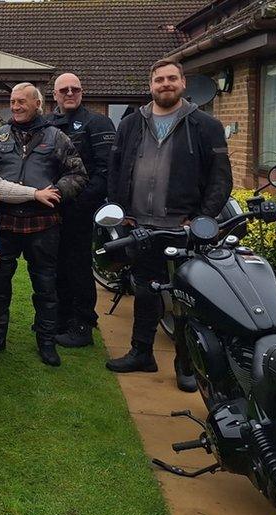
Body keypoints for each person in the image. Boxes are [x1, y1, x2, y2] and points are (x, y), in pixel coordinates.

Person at [105, 59, 232, 392]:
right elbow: (116, 170)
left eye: (171, 78)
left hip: (183, 228)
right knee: (145, 291)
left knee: (185, 299)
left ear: (183, 83)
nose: (165, 84)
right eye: (159, 79)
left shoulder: (205, 125)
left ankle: (185, 364)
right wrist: (121, 211)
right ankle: (141, 353)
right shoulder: (131, 123)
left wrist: (202, 218)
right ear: (151, 85)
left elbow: (221, 179)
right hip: (141, 225)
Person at [0, 83, 87, 367]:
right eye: (12, 102)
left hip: (44, 224)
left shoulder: (57, 137)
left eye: (21, 102)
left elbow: (77, 174)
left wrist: (58, 191)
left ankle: (46, 342)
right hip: (3, 223)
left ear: (37, 104)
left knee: (46, 286)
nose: (15, 106)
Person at [45, 72, 116, 348]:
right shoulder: (48, 124)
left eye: (75, 89)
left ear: (82, 92)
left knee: (78, 267)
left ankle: (83, 323)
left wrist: (77, 203)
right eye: (64, 90)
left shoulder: (97, 123)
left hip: (80, 211)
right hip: (50, 209)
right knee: (55, 267)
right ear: (55, 95)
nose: (70, 93)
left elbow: (105, 172)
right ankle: (61, 319)